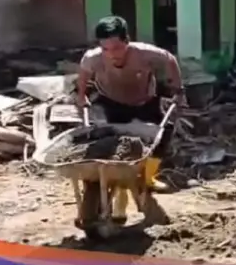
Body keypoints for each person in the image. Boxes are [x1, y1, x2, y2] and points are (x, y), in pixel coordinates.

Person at [76, 16, 185, 224]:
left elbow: (170, 59)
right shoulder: (93, 58)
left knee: (162, 134)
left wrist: (179, 90)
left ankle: (147, 178)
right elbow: (84, 74)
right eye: (105, 48)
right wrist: (81, 96)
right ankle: (118, 190)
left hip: (145, 100)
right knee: (109, 146)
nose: (111, 54)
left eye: (116, 47)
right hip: (112, 101)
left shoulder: (144, 53)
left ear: (127, 41)